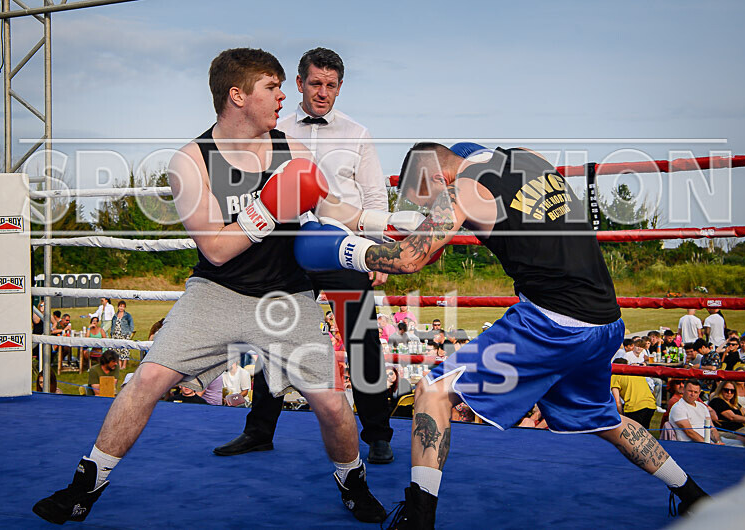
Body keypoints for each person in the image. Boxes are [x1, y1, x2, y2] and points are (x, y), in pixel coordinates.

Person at [32, 48, 385, 526]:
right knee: (147, 381)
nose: (284, 97)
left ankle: (353, 481)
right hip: (215, 292)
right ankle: (85, 484)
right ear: (237, 96)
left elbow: (334, 212)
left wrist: (389, 226)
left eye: (283, 86)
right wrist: (267, 207)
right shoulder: (190, 161)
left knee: (332, 402)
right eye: (271, 88)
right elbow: (216, 248)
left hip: (286, 296)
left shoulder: (292, 152)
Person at [294, 142, 709, 525]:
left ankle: (418, 519)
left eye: (430, 198)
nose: (435, 207)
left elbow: (407, 260)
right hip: (605, 321)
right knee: (607, 420)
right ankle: (692, 493)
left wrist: (341, 248)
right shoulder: (528, 157)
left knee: (432, 392)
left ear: (438, 179)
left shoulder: (464, 190)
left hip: (553, 322)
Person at [213, 47, 394, 465]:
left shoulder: (358, 133)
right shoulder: (273, 127)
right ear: (299, 84)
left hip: (342, 248)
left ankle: (378, 435)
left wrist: (377, 253)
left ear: (340, 88)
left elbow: (373, 196)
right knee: (273, 336)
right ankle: (259, 431)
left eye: (331, 85)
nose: (323, 92)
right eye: (315, 83)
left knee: (362, 339)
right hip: (287, 248)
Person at [669, 379, 722, 444]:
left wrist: (718, 441)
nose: (692, 394)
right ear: (684, 390)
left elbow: (712, 428)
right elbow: (690, 432)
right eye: (690, 391)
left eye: (695, 392)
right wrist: (709, 444)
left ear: (699, 393)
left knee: (736, 444)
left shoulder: (702, 406)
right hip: (691, 445)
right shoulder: (678, 408)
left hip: (708, 443)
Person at [610, 358, 657, 429]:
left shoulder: (615, 377)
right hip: (650, 404)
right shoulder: (635, 373)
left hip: (634, 407)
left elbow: (617, 401)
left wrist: (621, 417)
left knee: (633, 434)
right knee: (644, 432)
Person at [111, 301, 135, 370]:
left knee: (125, 349)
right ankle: (119, 364)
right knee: (117, 349)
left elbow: (131, 325)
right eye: (120, 306)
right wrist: (112, 333)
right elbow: (112, 324)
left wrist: (129, 333)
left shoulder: (127, 315)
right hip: (116, 334)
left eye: (123, 306)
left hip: (124, 334)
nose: (121, 308)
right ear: (118, 306)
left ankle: (124, 365)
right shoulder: (115, 316)